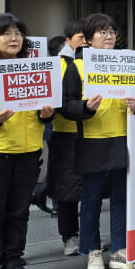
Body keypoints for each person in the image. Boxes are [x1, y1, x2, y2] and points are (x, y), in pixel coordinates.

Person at [60, 13, 135, 269]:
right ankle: (92, 250)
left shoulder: (128, 63)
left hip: (123, 138)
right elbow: (65, 106)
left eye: (112, 32)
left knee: (121, 197)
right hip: (92, 140)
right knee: (91, 198)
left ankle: (120, 248)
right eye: (102, 32)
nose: (108, 36)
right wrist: (85, 107)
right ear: (88, 38)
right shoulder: (78, 67)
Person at [0, 13, 54, 269]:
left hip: (28, 150)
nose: (14, 38)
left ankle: (13, 262)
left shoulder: (33, 66)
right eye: (6, 33)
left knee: (19, 212)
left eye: (18, 33)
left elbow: (45, 109)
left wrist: (48, 114)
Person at [47, 24, 87, 257]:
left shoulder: (99, 63)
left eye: (88, 37)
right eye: (81, 37)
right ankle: (70, 236)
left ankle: (89, 236)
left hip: (94, 133)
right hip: (66, 133)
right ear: (68, 39)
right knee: (67, 190)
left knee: (93, 189)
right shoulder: (57, 65)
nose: (85, 41)